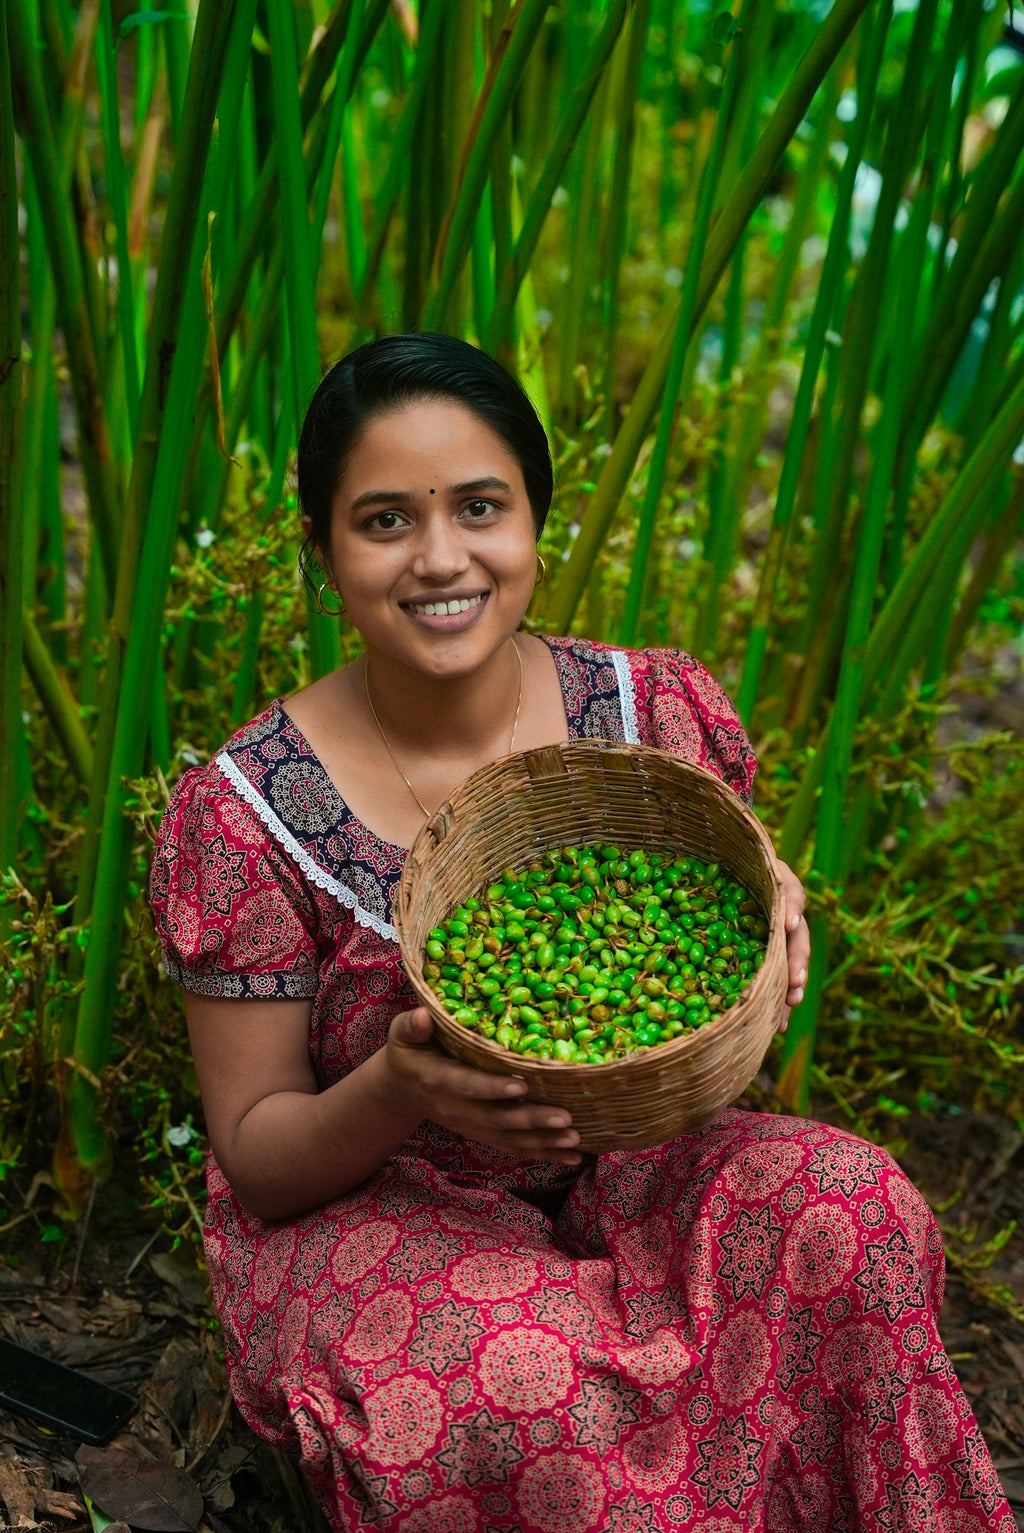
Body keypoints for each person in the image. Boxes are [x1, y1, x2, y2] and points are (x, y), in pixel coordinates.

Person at [150, 333, 1013, 1532]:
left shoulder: (646, 713)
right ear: (322, 556)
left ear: (536, 527)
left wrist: (768, 911)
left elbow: (712, 920)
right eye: (385, 520)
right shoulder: (242, 810)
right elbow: (257, 1155)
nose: (441, 557)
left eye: (480, 507)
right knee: (524, 1377)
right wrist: (403, 1084)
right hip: (377, 1212)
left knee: (850, 1207)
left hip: (637, 1161)